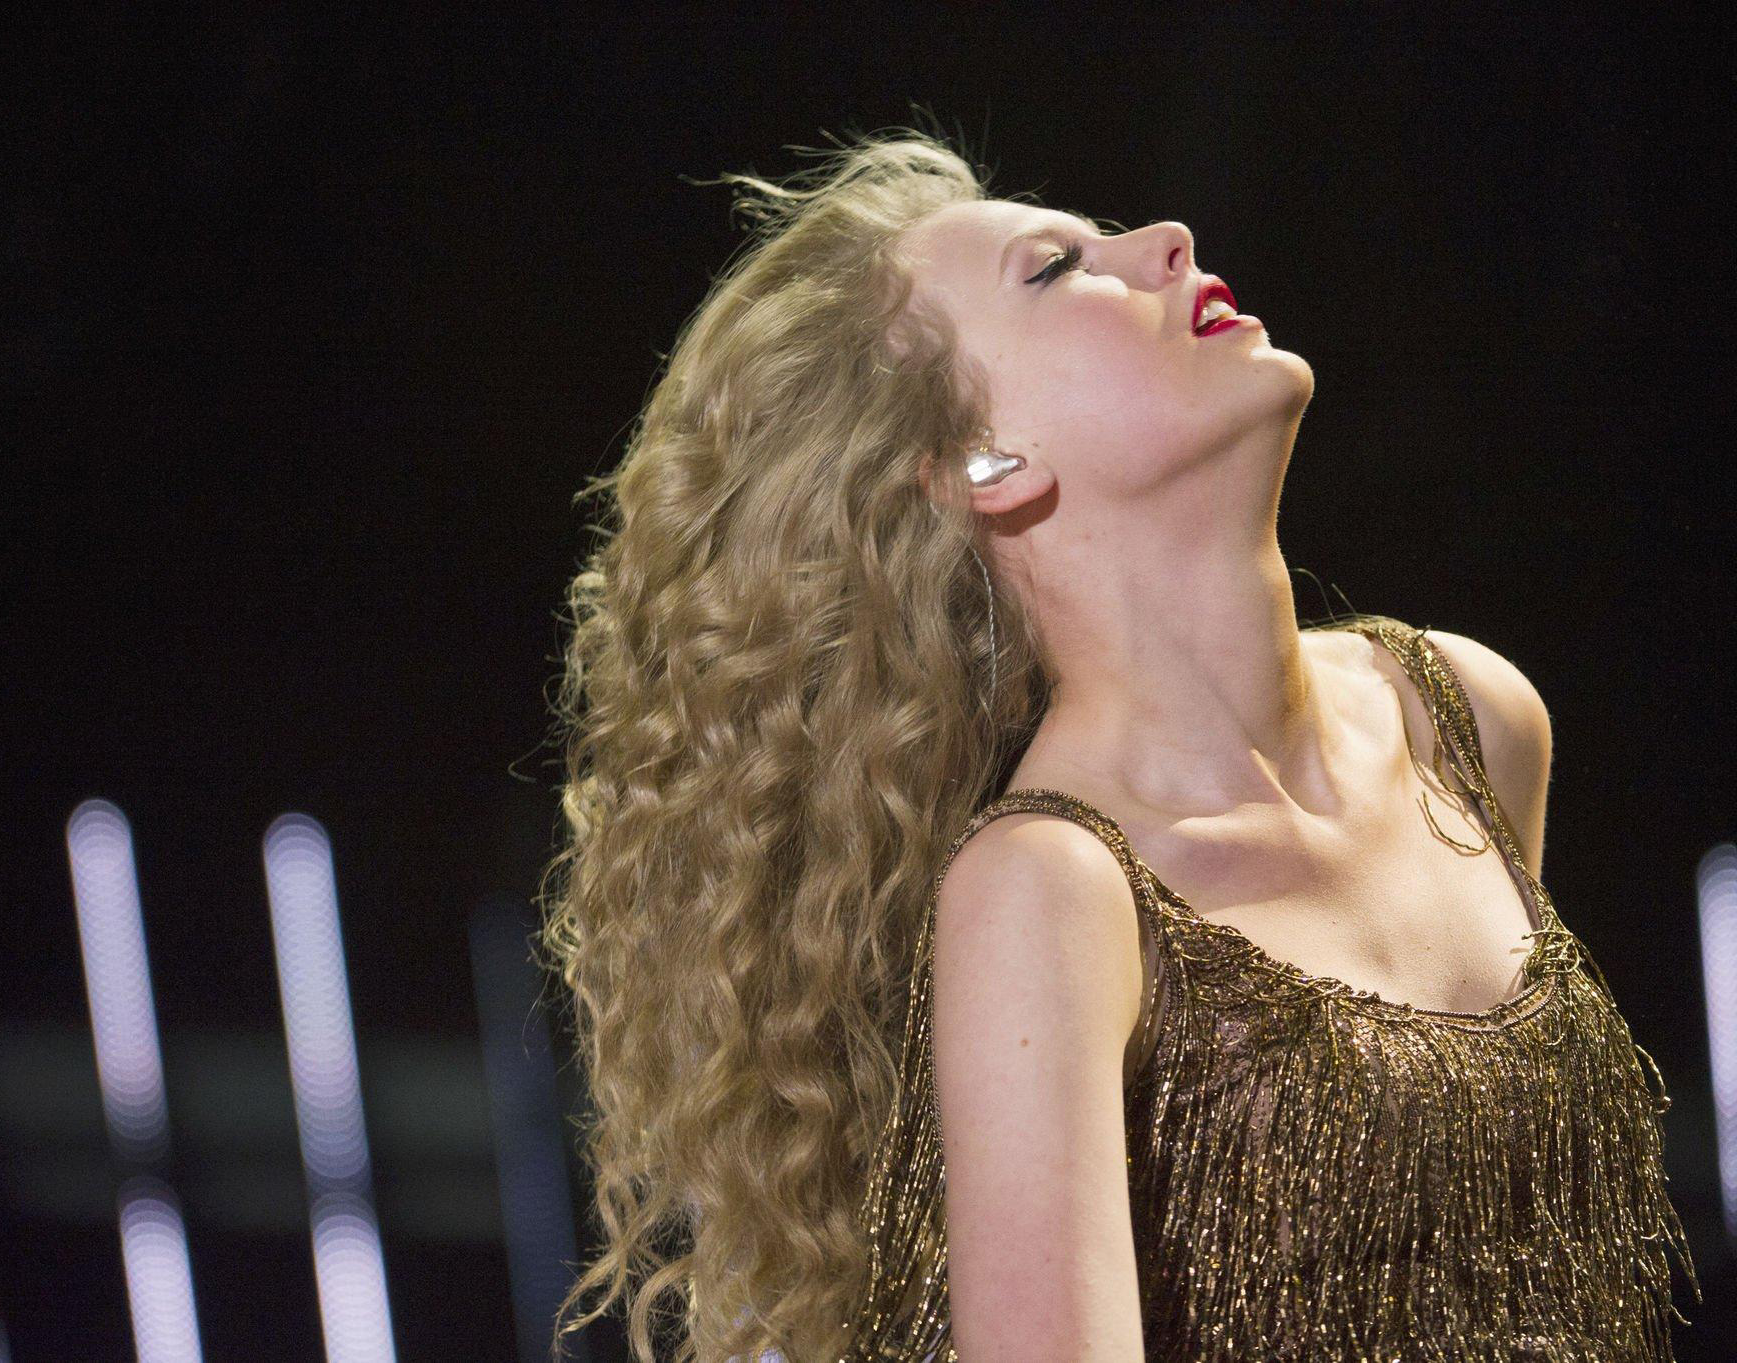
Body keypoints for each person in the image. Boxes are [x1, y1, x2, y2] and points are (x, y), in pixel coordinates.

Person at [539, 126, 1697, 1362]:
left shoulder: (1464, 718)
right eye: (1055, 269)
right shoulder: (1048, 892)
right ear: (981, 465)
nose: (1164, 242)